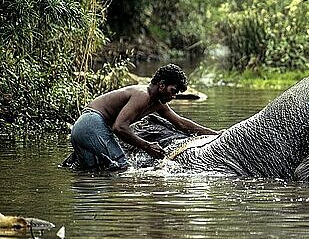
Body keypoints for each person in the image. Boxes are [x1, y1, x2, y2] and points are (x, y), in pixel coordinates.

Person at [69, 63, 219, 171]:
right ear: (161, 85)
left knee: (92, 174)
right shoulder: (142, 95)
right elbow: (119, 127)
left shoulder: (157, 103)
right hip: (91, 123)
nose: (173, 96)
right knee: (123, 167)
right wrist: (147, 146)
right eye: (173, 91)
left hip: (84, 128)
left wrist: (216, 134)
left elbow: (181, 123)